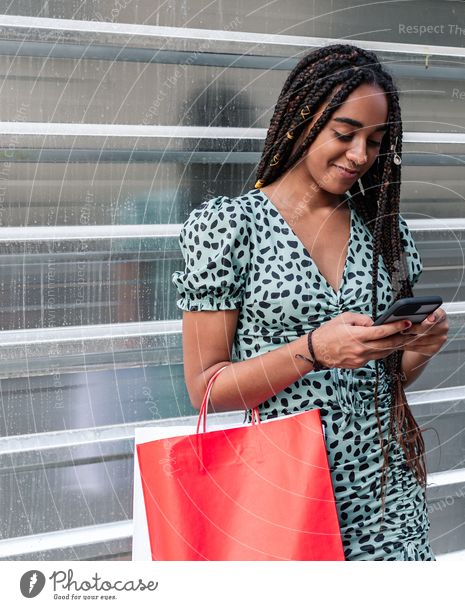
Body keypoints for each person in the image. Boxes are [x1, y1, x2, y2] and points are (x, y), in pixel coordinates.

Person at [171, 43, 449, 560]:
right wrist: (314, 351)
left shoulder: (385, 234)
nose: (360, 156)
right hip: (282, 497)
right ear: (303, 119)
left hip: (388, 503)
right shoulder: (230, 227)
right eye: (344, 134)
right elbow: (206, 389)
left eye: (375, 140)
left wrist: (421, 347)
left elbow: (382, 381)